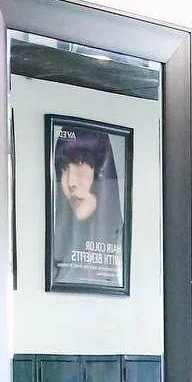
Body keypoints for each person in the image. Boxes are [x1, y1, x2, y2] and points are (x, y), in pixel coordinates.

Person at [49, 123, 126, 290]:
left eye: (80, 162)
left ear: (100, 170)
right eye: (63, 168)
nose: (70, 182)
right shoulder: (54, 255)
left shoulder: (123, 248)